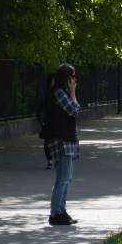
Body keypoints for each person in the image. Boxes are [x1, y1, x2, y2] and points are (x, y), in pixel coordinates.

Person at [42, 63, 80, 226]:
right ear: (65, 78)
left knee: (67, 178)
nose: (74, 81)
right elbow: (74, 109)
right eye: (72, 77)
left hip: (67, 140)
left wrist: (71, 93)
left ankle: (61, 211)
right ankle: (55, 213)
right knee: (62, 179)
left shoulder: (61, 92)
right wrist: (73, 93)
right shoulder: (58, 93)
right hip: (61, 141)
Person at [33, 73, 54, 170]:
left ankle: (55, 158)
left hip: (57, 119)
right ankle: (49, 160)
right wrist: (39, 118)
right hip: (46, 118)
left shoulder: (59, 92)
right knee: (47, 140)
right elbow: (39, 105)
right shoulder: (44, 92)